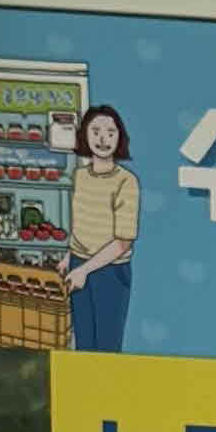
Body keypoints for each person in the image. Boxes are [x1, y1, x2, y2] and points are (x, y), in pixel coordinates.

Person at [63, 97, 140, 348]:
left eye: (110, 132)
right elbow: (80, 224)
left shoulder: (126, 181)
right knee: (83, 342)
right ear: (85, 135)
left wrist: (84, 270)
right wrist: (69, 258)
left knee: (107, 345)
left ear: (120, 137)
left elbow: (123, 243)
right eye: (96, 131)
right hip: (77, 265)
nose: (103, 139)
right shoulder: (80, 176)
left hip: (110, 272)